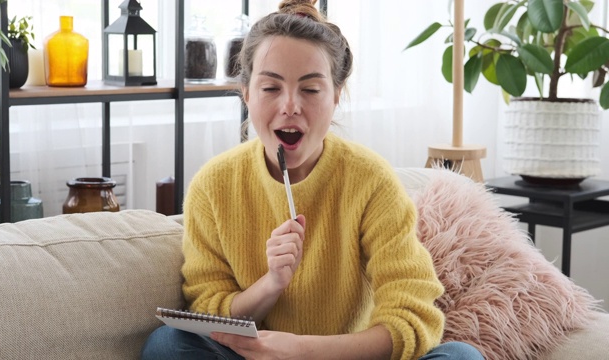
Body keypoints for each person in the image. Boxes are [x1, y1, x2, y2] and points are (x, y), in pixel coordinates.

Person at [141, 1, 484, 359]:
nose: (290, 105)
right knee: (167, 346)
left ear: (336, 95)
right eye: (271, 88)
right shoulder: (213, 185)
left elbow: (413, 318)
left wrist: (304, 350)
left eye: (310, 89)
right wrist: (272, 283)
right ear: (246, 93)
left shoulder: (372, 181)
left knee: (462, 356)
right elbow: (209, 312)